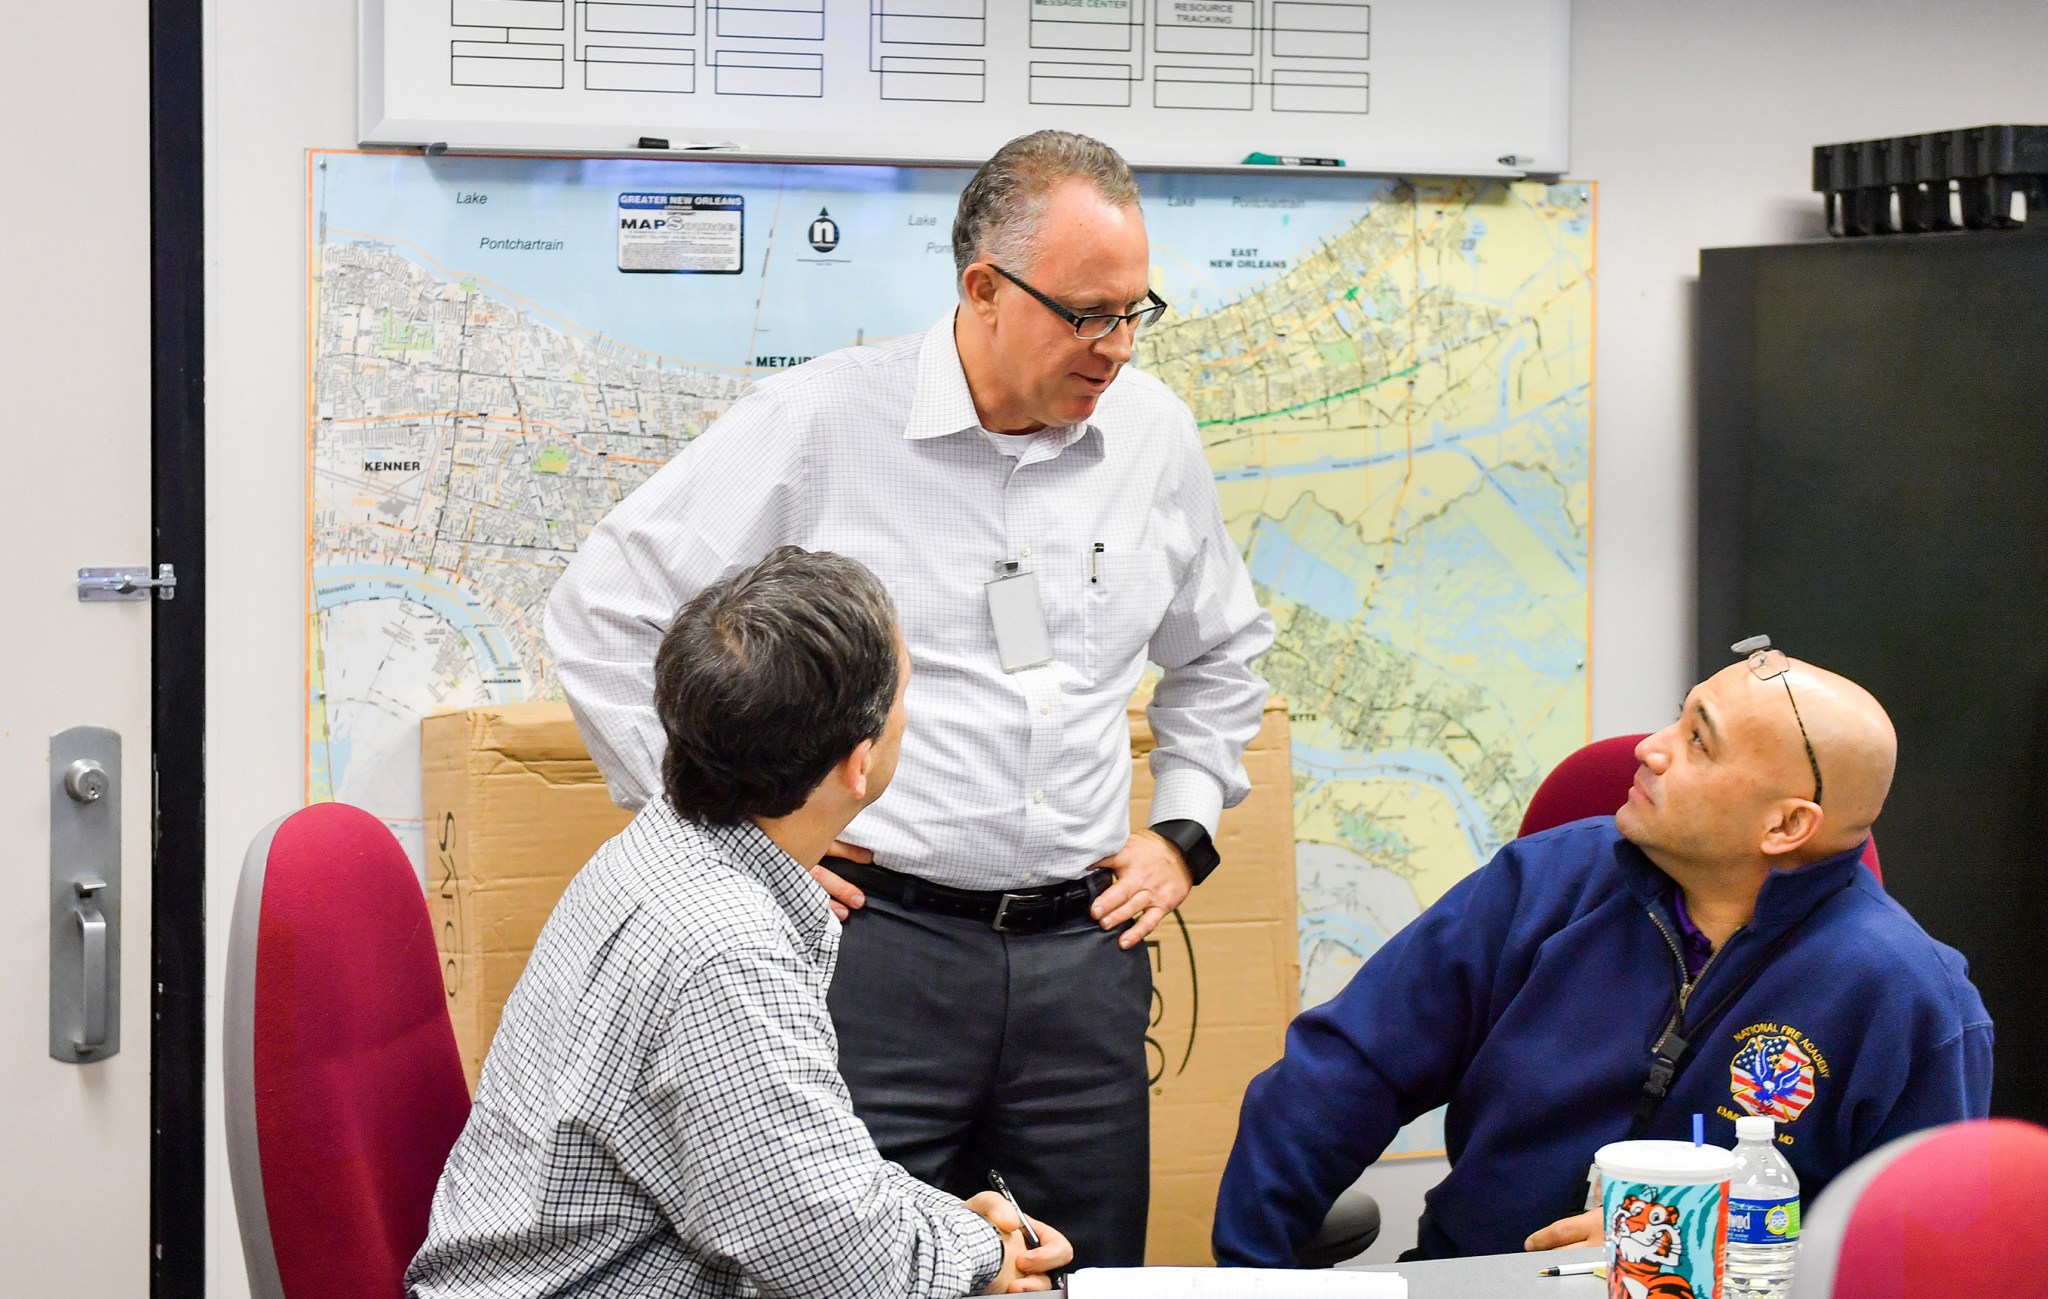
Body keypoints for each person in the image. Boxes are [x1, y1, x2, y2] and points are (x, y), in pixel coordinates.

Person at [545, 130, 1274, 1265]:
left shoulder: (1152, 437)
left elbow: (1222, 650)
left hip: (1081, 961)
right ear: (983, 287)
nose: (1116, 347)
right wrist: (729, 845)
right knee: (854, 1273)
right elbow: (602, 609)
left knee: (1077, 1270)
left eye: (1136, 311)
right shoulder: (829, 418)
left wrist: (1185, 828)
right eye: (1086, 313)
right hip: (877, 952)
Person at [410, 547, 1072, 1298]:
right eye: (903, 702)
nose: (908, 719)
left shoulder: (663, 846)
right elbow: (845, 1262)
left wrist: (944, 1220)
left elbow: (799, 1175)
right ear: (859, 764)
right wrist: (982, 1249)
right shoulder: (725, 950)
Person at [1213, 640, 1993, 1264]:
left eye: (1697, 742)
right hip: (1480, 1276)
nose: (1649, 749)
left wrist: (1701, 1251)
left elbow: (1913, 1252)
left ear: (1786, 826)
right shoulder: (1544, 881)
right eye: (1677, 718)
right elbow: (1344, 1066)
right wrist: (1252, 1271)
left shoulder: (1911, 999)